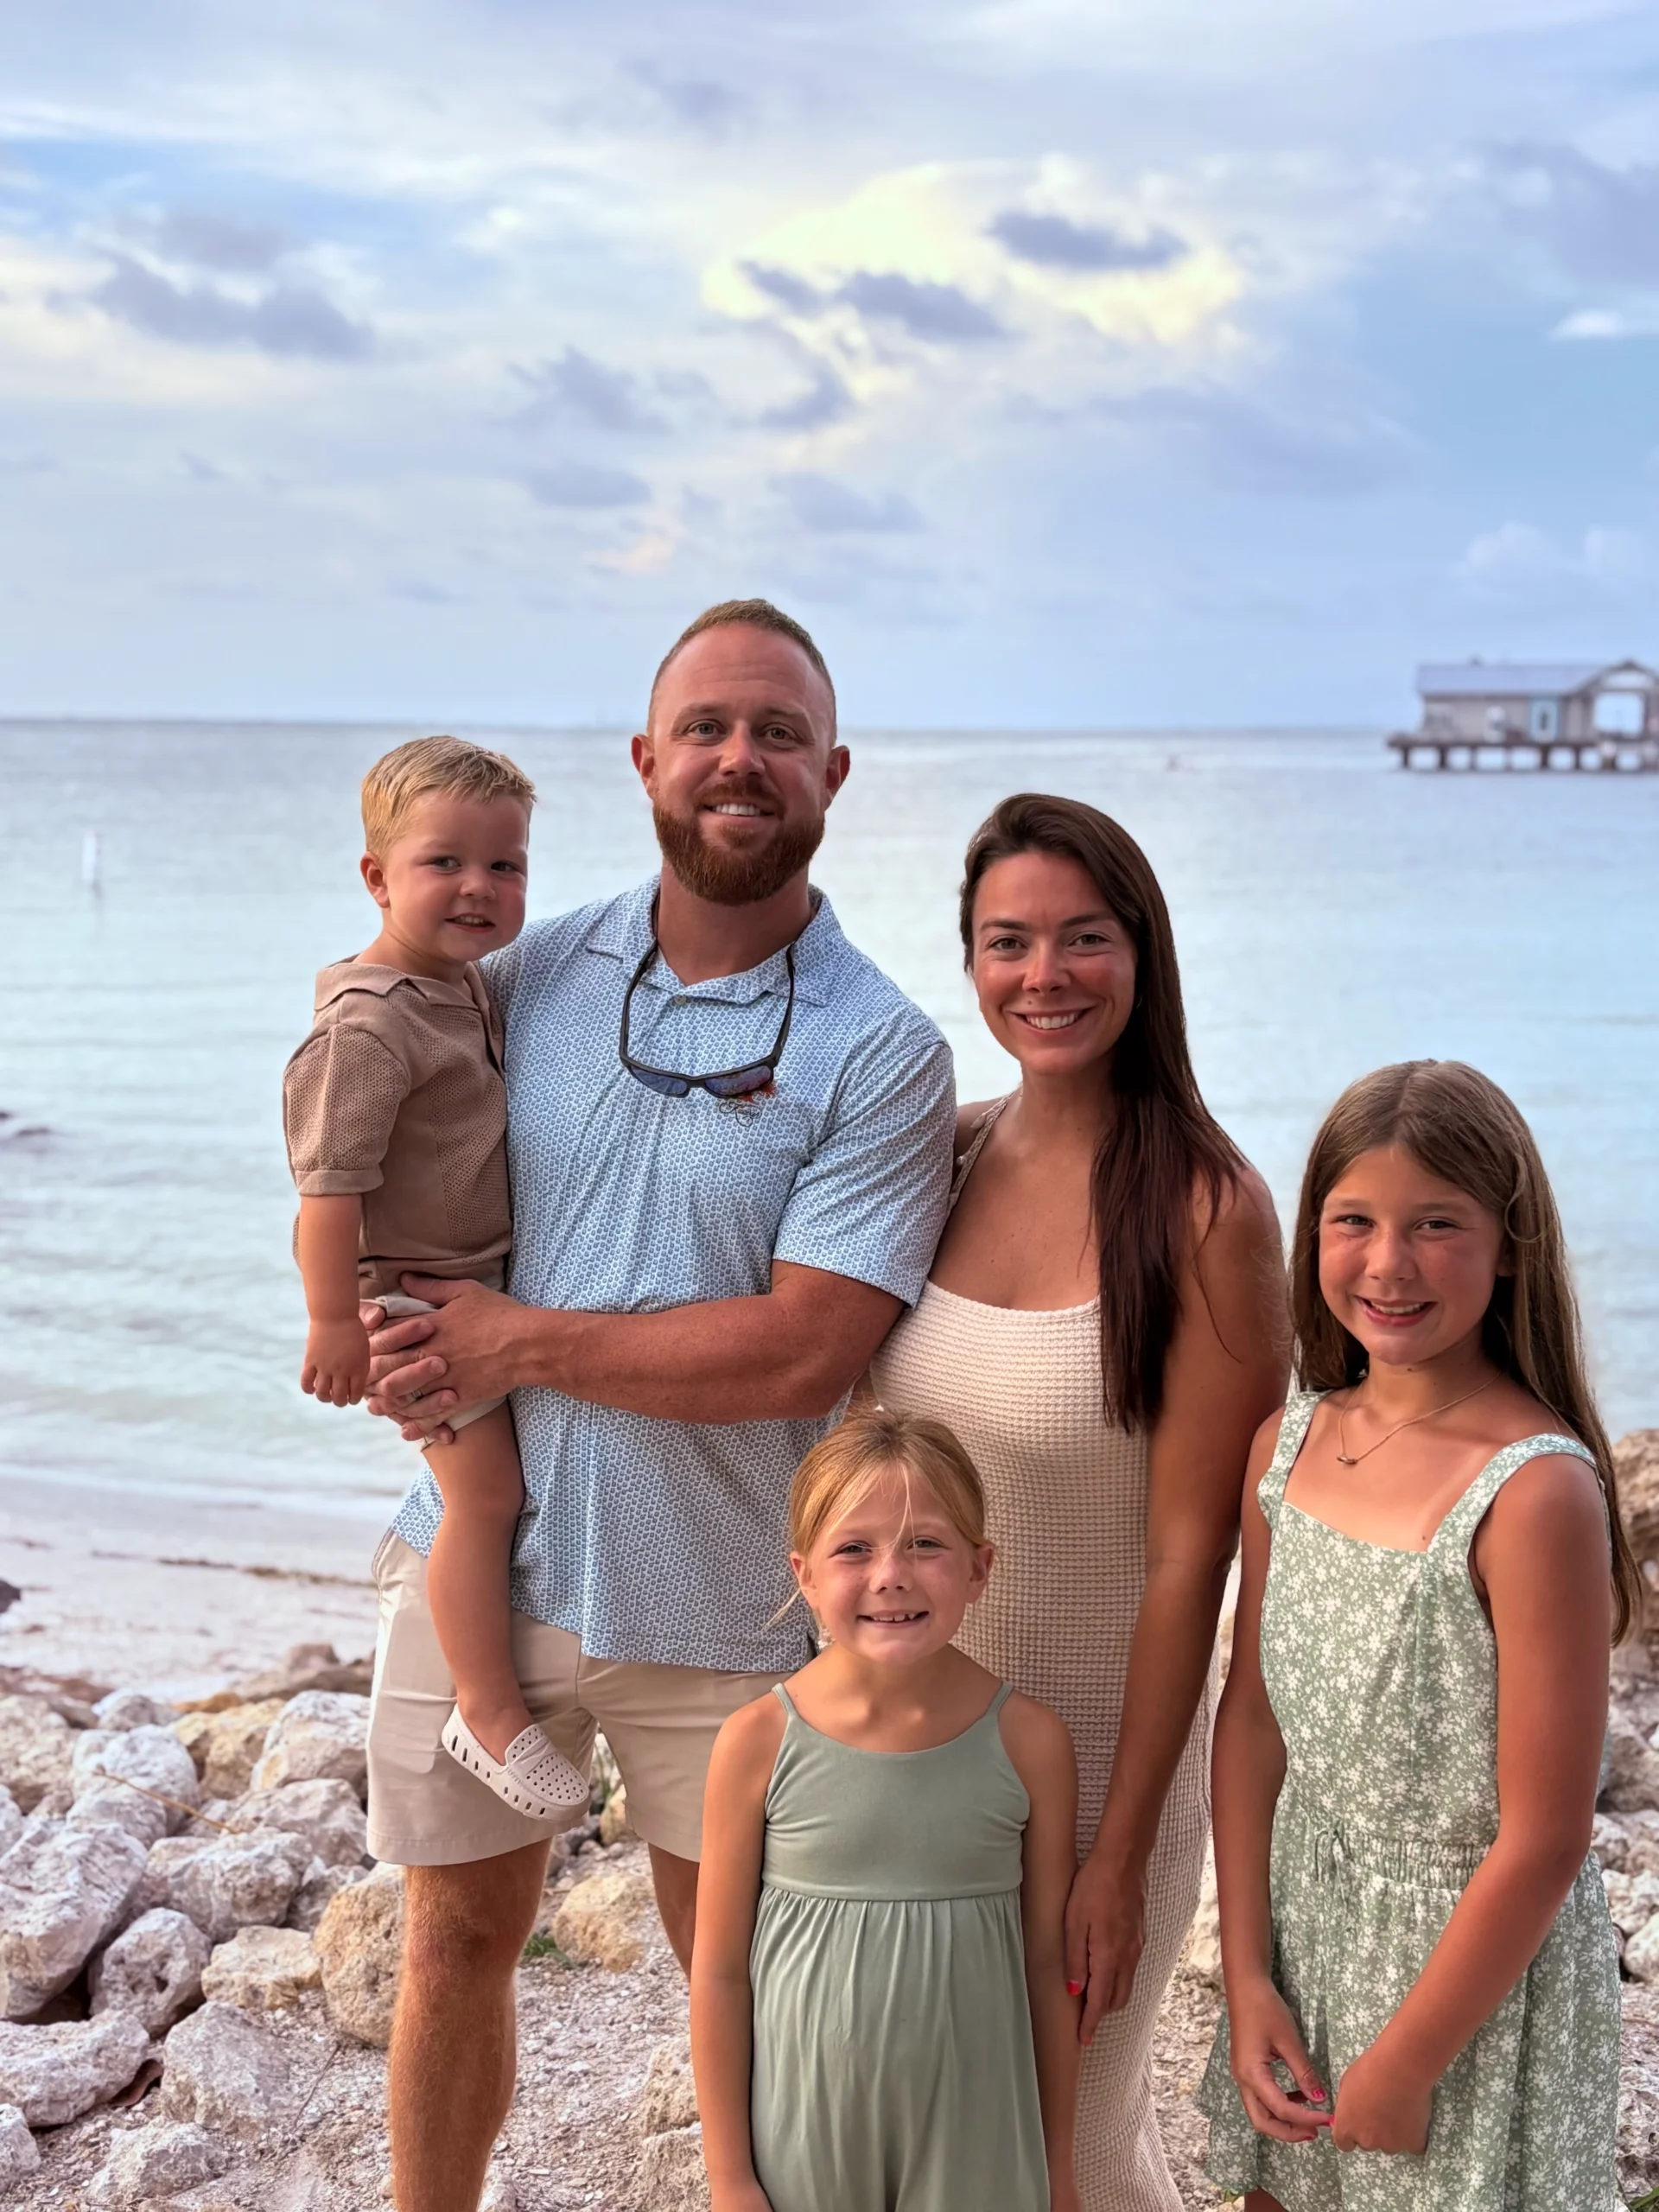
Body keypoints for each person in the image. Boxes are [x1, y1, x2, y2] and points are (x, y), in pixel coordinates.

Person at [357, 601, 956, 2212]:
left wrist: (513, 1342)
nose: (737, 761)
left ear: (832, 772)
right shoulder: (527, 973)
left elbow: (801, 1354)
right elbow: (389, 1143)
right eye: (705, 728)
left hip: (736, 1608)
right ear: (644, 761)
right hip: (489, 1566)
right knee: (455, 1941)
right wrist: (390, 1329)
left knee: (740, 1982)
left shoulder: (881, 1050)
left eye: (774, 733)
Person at [870, 791, 1287, 2210]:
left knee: (1062, 2157)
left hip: (1101, 1773)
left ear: (1143, 954)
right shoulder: (942, 1156)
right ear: (971, 962)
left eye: (1082, 939)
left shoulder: (1208, 1213)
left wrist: (1118, 1858)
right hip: (907, 1761)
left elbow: (1192, 1563)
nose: (1043, 975)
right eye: (1008, 942)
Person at [1200, 1059, 1632, 2209]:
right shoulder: (1287, 1448)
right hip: (1303, 1937)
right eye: (1356, 1221)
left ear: (1510, 1249)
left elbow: (1544, 1838)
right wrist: (1247, 1977)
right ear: (1314, 1234)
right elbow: (1250, 1722)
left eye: (1438, 1224)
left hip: (1463, 1997)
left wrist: (1408, 2058)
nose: (1389, 1265)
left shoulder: (1534, 1495)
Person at [283, 737, 588, 1826]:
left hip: (475, 1282)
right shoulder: (370, 1026)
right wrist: (334, 1324)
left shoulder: (463, 991)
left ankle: (493, 1691)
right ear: (376, 876)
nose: (480, 888)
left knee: (500, 1494)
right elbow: (327, 1193)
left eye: (505, 866)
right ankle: (489, 1708)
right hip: (418, 1301)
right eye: (444, 863)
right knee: (485, 1498)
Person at [691, 1407, 1084, 2212]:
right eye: (854, 1549)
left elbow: (1047, 1973)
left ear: (981, 1568)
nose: (890, 1575)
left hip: (978, 2134)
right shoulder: (756, 1743)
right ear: (804, 1574)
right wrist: (730, 2178)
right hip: (804, 2132)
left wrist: (1059, 2170)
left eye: (926, 1544)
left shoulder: (1031, 1743)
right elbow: (721, 1973)